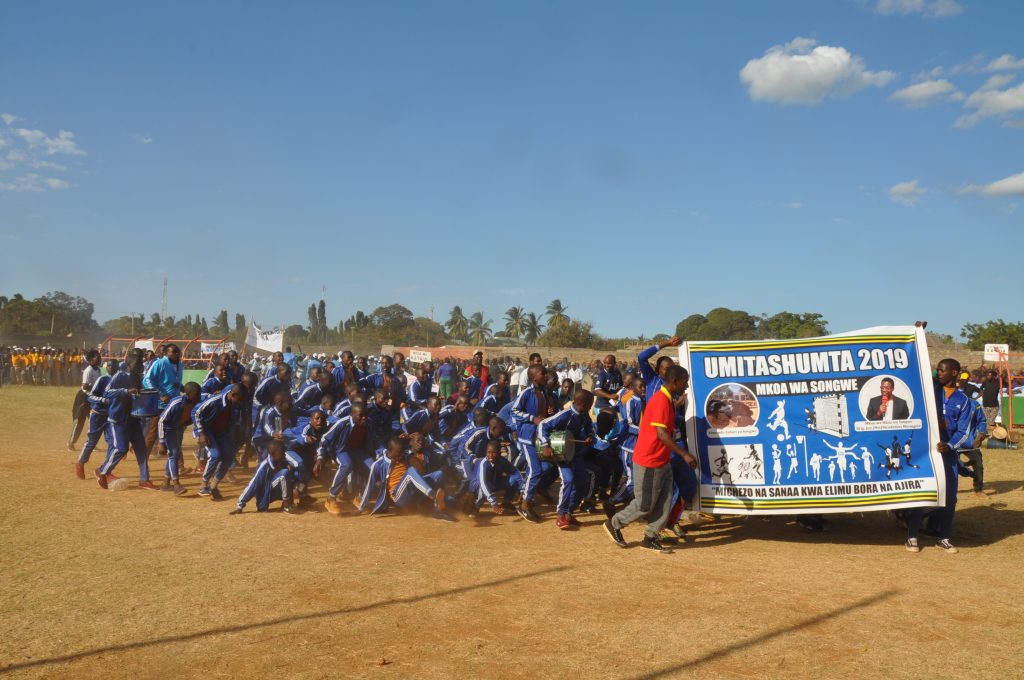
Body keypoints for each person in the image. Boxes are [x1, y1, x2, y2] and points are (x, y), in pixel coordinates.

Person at [604, 365, 693, 552]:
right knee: (644, 505)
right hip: (649, 460)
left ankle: (650, 536)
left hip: (662, 459)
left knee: (666, 500)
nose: (687, 385)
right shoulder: (661, 400)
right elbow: (661, 434)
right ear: (675, 381)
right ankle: (614, 523)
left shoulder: (667, 399)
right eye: (685, 382)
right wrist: (684, 454)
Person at [905, 358, 973, 554]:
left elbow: (964, 432)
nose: (939, 373)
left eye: (942, 370)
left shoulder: (964, 401)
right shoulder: (930, 392)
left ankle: (944, 537)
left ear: (954, 372)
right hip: (925, 454)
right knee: (922, 494)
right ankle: (912, 536)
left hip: (947, 455)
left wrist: (949, 446)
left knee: (950, 497)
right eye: (938, 370)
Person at [97, 350, 157, 490]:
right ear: (129, 364)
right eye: (137, 363)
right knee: (121, 448)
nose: (140, 365)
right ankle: (102, 471)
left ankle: (144, 479)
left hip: (134, 419)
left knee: (141, 450)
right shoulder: (120, 375)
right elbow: (107, 392)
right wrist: (125, 391)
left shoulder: (137, 377)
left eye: (141, 363)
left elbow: (138, 395)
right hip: (119, 419)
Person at [357, 436, 455, 521]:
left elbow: (415, 450)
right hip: (398, 496)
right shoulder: (378, 465)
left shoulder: (405, 456)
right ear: (390, 450)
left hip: (412, 492)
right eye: (398, 453)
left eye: (402, 452)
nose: (401, 455)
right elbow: (369, 486)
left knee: (438, 474)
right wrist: (361, 508)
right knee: (410, 471)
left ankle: (439, 509)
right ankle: (434, 497)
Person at [538, 390, 597, 530]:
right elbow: (542, 425)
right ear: (584, 404)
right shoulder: (564, 415)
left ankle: (569, 514)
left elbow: (589, 427)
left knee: (581, 481)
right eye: (590, 403)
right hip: (561, 454)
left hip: (575, 452)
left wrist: (589, 436)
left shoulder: (584, 415)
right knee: (568, 480)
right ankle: (561, 514)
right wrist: (545, 445)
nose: (591, 406)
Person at [510, 364, 554, 523]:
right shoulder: (526, 393)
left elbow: (543, 414)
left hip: (540, 437)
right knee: (536, 470)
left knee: (545, 467)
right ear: (534, 377)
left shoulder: (545, 392)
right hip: (527, 437)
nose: (546, 376)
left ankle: (524, 493)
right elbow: (514, 411)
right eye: (543, 374)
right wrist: (532, 418)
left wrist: (548, 413)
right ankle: (525, 504)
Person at [195, 384, 249, 500]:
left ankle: (213, 486)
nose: (240, 402)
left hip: (220, 431)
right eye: (239, 399)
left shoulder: (234, 405)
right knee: (215, 455)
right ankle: (203, 485)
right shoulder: (215, 401)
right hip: (207, 430)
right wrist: (201, 433)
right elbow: (196, 413)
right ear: (233, 395)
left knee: (230, 454)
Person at [74, 359, 118, 480]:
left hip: (111, 417)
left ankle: (105, 470)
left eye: (114, 366)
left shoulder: (119, 381)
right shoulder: (102, 379)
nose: (111, 368)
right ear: (106, 367)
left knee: (113, 443)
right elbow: (91, 396)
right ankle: (80, 462)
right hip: (97, 415)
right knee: (92, 441)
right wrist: (103, 400)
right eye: (109, 366)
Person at [156, 382, 202, 495]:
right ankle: (176, 485)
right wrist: (161, 441)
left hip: (176, 429)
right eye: (196, 394)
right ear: (188, 393)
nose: (198, 396)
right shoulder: (176, 402)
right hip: (167, 429)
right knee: (174, 454)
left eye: (199, 394)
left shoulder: (196, 403)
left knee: (173, 455)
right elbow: (161, 421)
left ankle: (166, 483)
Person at [230, 441, 298, 514]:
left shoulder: (282, 460)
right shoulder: (264, 466)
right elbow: (253, 485)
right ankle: (286, 506)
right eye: (281, 452)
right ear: (273, 454)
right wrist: (240, 506)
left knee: (290, 474)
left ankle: (288, 502)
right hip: (265, 495)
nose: (284, 453)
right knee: (284, 474)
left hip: (273, 489)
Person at [68, 349, 102, 450]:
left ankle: (91, 443)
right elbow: (85, 387)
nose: (99, 359)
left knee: (93, 421)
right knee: (80, 421)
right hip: (84, 398)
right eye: (96, 358)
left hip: (93, 398)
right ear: (91, 360)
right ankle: (71, 442)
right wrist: (95, 389)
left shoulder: (98, 370)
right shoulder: (88, 370)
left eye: (99, 357)